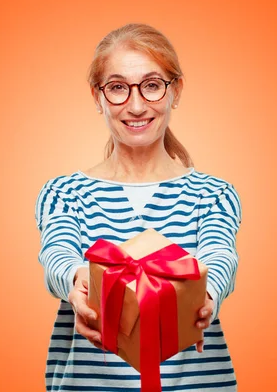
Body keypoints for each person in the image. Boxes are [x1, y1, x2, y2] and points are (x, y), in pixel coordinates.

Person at [34, 23, 242, 391]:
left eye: (151, 85)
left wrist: (207, 294)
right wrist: (78, 280)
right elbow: (57, 256)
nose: (135, 105)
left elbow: (220, 254)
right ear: (97, 97)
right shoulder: (65, 192)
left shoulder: (212, 193)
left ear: (174, 91)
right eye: (117, 88)